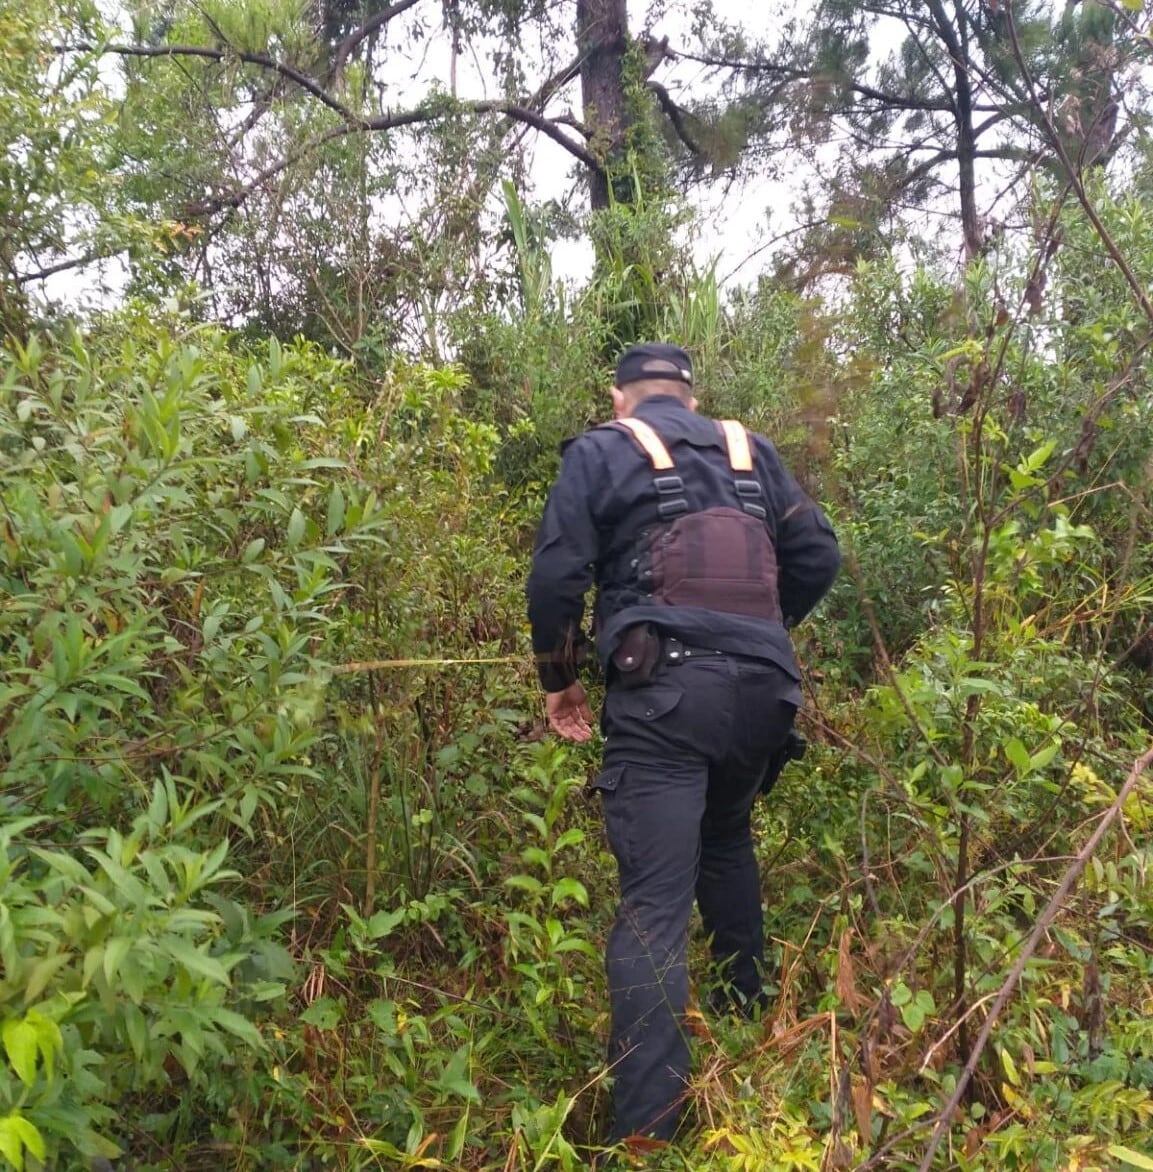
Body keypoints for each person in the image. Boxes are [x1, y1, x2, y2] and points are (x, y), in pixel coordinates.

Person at [526, 342, 840, 1147]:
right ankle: (747, 1015)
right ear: (691, 400)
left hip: (666, 696)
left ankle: (647, 1135)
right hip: (765, 691)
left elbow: (558, 574)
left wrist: (558, 679)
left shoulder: (602, 449)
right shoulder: (752, 452)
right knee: (727, 839)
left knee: (654, 905)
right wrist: (757, 633)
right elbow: (816, 555)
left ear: (619, 397)